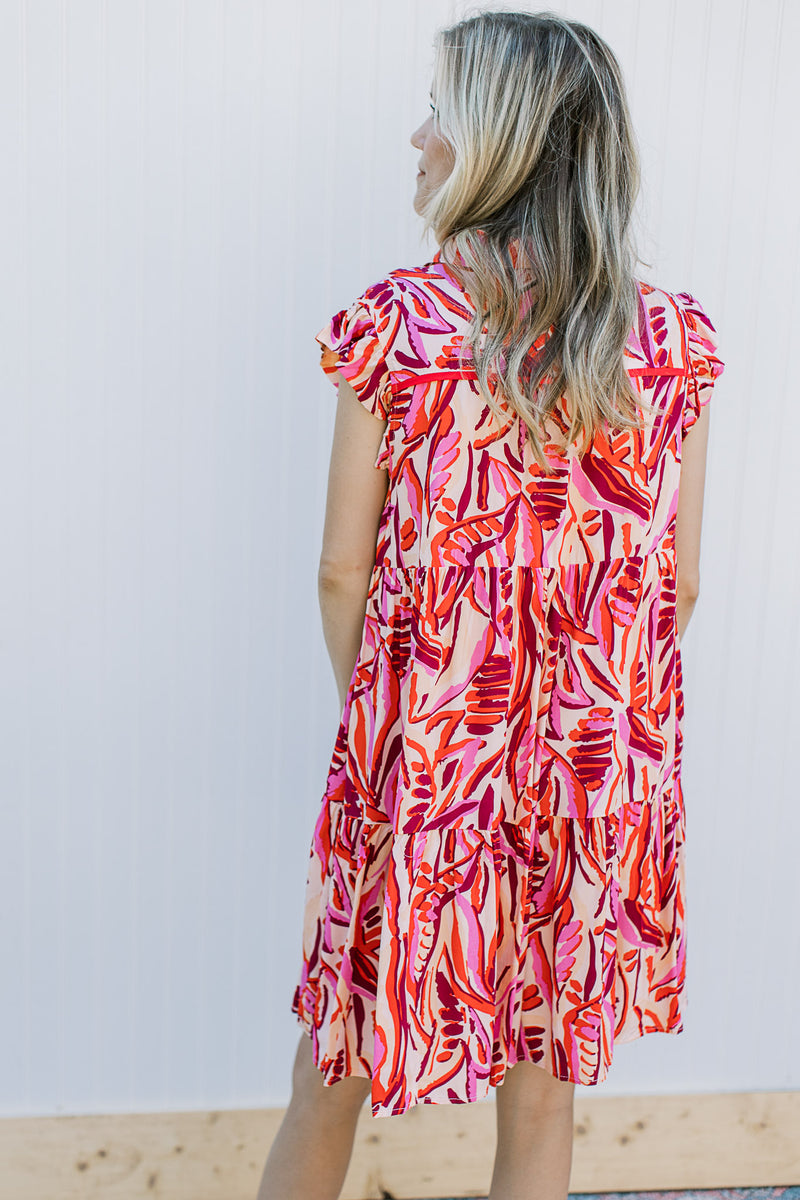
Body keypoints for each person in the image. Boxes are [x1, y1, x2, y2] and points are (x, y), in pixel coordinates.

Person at [257, 10, 724, 1200]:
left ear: (499, 146)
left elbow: (338, 573)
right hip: (587, 781)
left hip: (424, 767)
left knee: (332, 1064)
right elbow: (675, 587)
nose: (415, 138)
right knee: (544, 1085)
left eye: (439, 114)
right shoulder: (669, 347)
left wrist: (411, 729)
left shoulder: (399, 329)